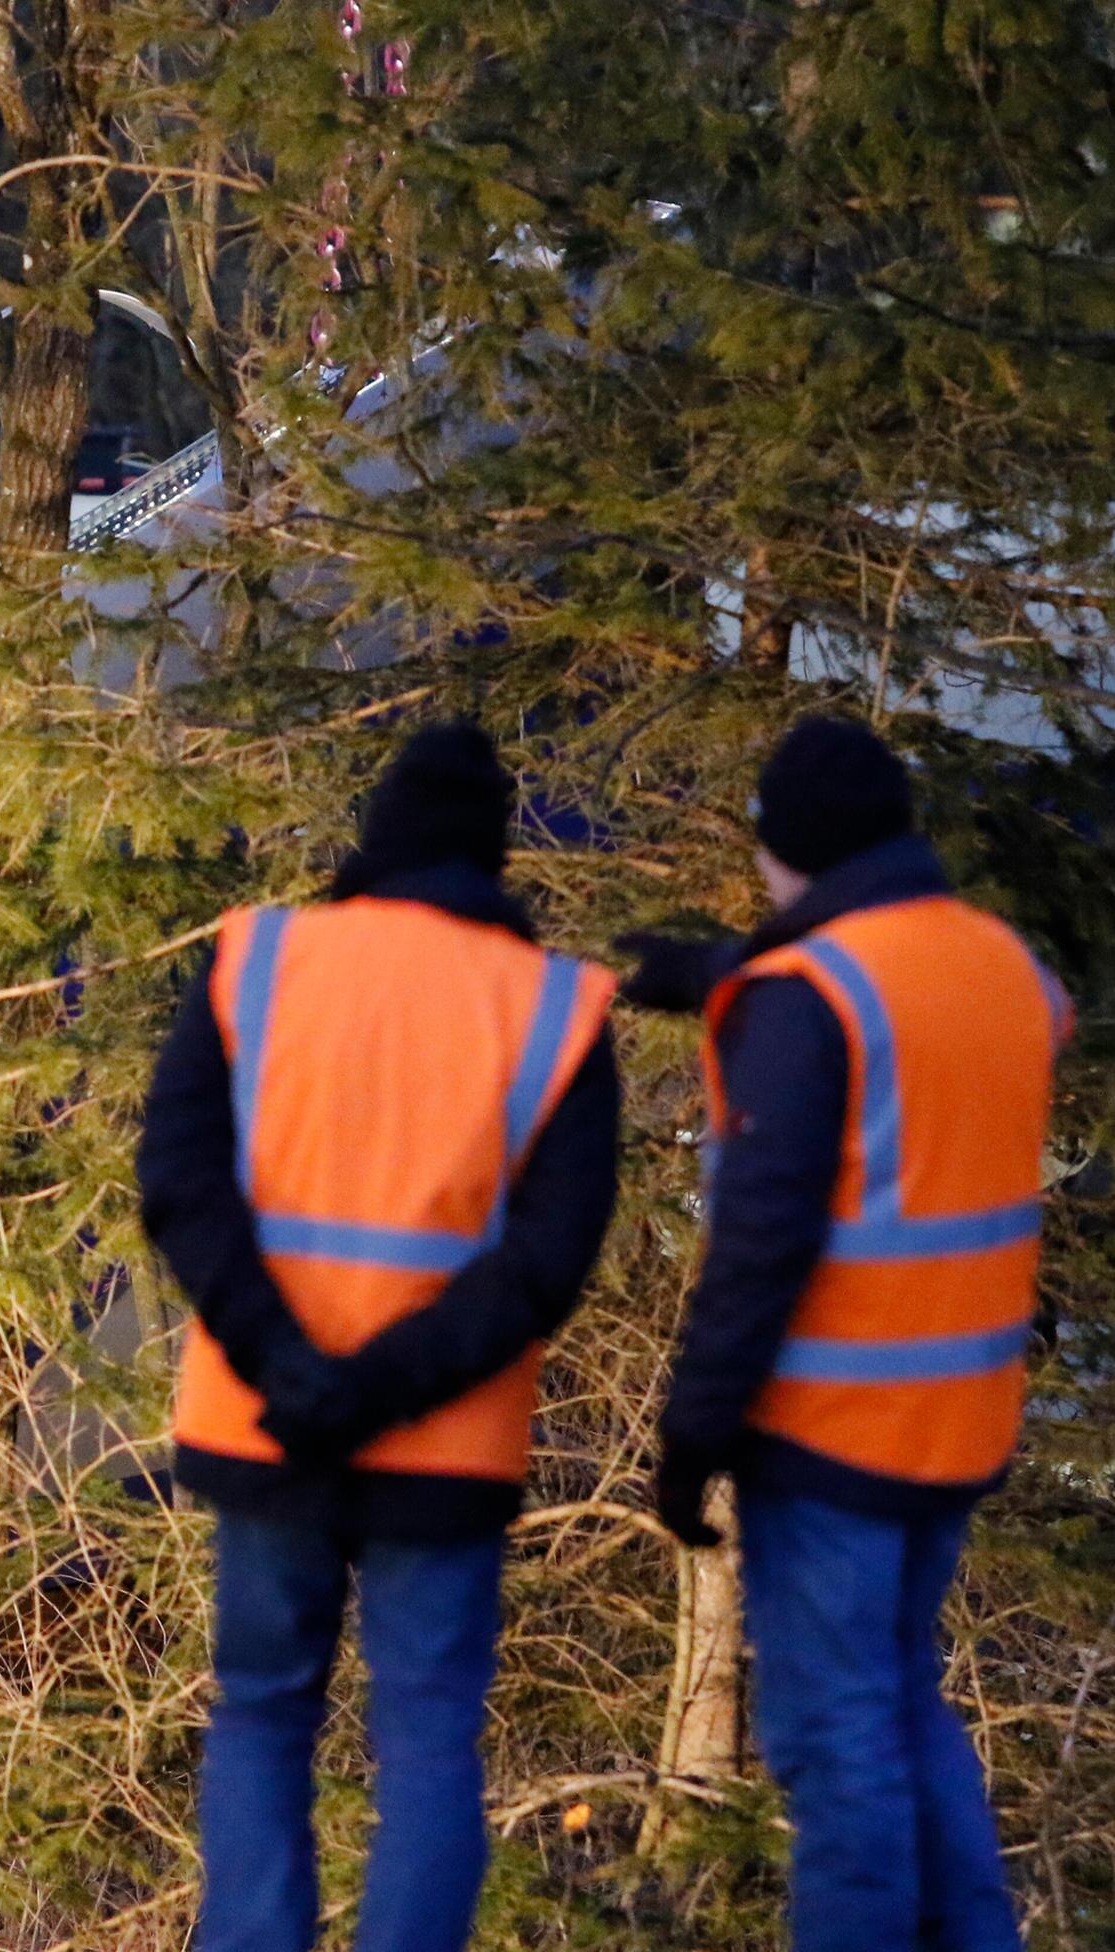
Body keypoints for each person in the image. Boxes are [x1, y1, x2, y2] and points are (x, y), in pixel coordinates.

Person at [139, 721, 621, 1952]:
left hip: (268, 1425)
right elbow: (547, 1260)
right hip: (444, 1448)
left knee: (261, 1713)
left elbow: (180, 1184)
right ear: (495, 856)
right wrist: (390, 1381)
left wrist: (286, 1364)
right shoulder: (556, 1007)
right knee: (427, 1742)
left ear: (374, 836)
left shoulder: (260, 959)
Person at [628, 715, 1063, 1952]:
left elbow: (758, 1244)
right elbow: (900, 1012)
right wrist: (728, 973)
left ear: (782, 851)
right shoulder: (996, 962)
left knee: (837, 1745)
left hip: (834, 1430)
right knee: (903, 1705)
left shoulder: (806, 1000)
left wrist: (692, 1431)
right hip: (960, 1417)